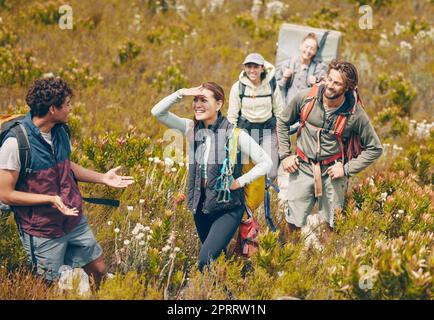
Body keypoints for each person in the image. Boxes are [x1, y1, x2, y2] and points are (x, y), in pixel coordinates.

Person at [0, 77, 134, 287]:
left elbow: (65, 166)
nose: (70, 109)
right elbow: (5, 194)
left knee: (98, 269)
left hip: (73, 219)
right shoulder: (15, 143)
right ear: (53, 109)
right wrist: (50, 199)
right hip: (42, 230)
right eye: (67, 105)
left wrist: (102, 178)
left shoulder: (60, 131)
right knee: (48, 286)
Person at [151, 82, 272, 271]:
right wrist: (181, 92)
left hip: (228, 208)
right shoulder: (191, 128)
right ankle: (227, 292)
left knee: (204, 260)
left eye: (204, 100)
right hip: (201, 206)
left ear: (218, 104)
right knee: (216, 261)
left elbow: (266, 162)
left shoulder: (235, 134)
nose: (198, 104)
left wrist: (239, 181)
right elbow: (158, 112)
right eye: (196, 100)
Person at [276, 59, 383, 240]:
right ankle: (289, 263)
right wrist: (285, 155)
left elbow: (375, 148)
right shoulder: (305, 98)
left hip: (333, 172)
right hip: (302, 167)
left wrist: (346, 169)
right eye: (329, 79)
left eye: (337, 83)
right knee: (292, 222)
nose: (330, 86)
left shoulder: (355, 114)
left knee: (332, 225)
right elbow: (282, 121)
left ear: (348, 87)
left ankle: (326, 265)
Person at [227, 52, 284, 181]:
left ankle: (265, 193)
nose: (252, 70)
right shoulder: (238, 87)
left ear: (262, 68)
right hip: (245, 130)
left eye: (256, 67)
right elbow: (232, 115)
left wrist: (281, 136)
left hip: (268, 130)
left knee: (270, 171)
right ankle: (245, 198)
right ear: (244, 68)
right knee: (241, 170)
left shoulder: (271, 84)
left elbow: (279, 111)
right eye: (249, 67)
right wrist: (231, 138)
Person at [276, 32, 328, 106]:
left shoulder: (318, 69)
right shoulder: (287, 65)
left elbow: (326, 90)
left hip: (306, 109)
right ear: (301, 46)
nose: (308, 51)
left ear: (315, 52)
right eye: (306, 47)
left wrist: (316, 84)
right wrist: (284, 78)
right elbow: (276, 88)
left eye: (312, 48)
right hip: (288, 107)